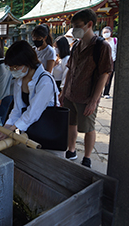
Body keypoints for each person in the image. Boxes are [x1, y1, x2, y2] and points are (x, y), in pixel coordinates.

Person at [59, 9, 113, 168]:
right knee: (71, 124)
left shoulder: (101, 46)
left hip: (87, 96)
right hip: (70, 93)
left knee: (89, 128)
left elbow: (104, 74)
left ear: (89, 24)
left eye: (77, 26)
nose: (74, 29)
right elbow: (70, 69)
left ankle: (88, 157)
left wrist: (94, 100)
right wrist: (63, 91)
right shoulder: (76, 45)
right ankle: (71, 150)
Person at [0, 40, 59, 141]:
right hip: (31, 130)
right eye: (11, 68)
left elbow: (33, 112)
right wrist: (5, 129)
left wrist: (12, 129)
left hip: (48, 129)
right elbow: (17, 109)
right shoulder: (20, 79)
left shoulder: (45, 81)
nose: (13, 70)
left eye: (15, 67)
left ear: (27, 62)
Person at [102, 26, 117, 99]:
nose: (105, 34)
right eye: (104, 32)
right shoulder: (102, 41)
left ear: (111, 32)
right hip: (103, 61)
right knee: (101, 77)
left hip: (112, 61)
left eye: (107, 32)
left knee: (109, 77)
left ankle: (106, 92)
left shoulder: (115, 40)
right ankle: (99, 92)